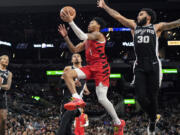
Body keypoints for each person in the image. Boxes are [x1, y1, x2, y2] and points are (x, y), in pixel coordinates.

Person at [97, 0, 180, 134]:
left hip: (154, 64)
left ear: (148, 17)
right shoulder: (134, 26)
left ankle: (152, 122)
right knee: (141, 97)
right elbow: (118, 17)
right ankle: (153, 117)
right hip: (140, 65)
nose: (138, 16)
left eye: (141, 14)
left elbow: (175, 23)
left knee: (153, 97)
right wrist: (105, 6)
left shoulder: (157, 27)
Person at [58, 11, 125, 135]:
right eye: (89, 22)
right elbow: (74, 49)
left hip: (101, 67)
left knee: (102, 99)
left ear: (98, 26)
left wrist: (71, 21)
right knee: (68, 74)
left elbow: (83, 36)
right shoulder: (87, 40)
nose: (89, 24)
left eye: (92, 22)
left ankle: (118, 122)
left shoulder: (98, 35)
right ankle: (77, 99)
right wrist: (66, 37)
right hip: (90, 67)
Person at [56, 53, 90, 135]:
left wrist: (84, 87)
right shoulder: (67, 69)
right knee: (67, 128)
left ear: (81, 59)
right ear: (71, 60)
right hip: (65, 101)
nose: (76, 58)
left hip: (76, 102)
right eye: (74, 56)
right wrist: (73, 84)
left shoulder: (85, 70)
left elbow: (83, 86)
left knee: (64, 122)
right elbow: (60, 85)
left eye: (78, 56)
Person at [0, 55, 13, 135]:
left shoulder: (9, 73)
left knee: (4, 119)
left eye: (7, 59)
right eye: (4, 59)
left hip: (2, 96)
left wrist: (0, 86)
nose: (6, 60)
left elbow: (8, 87)